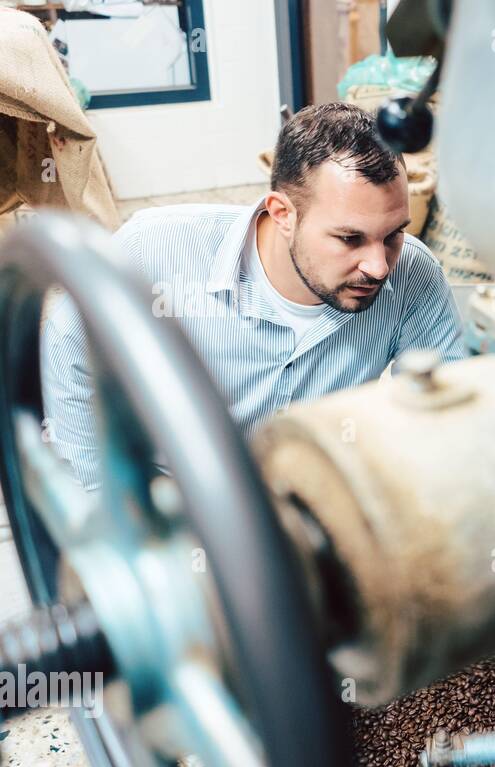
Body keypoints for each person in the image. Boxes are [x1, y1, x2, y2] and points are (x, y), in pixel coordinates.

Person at [41, 101, 466, 491]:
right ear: (282, 213)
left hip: (308, 496)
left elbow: (451, 409)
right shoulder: (155, 249)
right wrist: (104, 505)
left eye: (393, 234)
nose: (378, 266)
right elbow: (69, 344)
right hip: (173, 492)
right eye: (350, 238)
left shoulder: (413, 273)